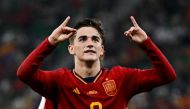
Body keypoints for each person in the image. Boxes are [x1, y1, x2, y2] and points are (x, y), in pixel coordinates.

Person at [17, 16, 176, 109]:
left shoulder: (121, 78)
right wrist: (50, 41)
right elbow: (23, 74)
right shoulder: (58, 81)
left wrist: (146, 43)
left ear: (102, 50)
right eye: (82, 39)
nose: (90, 43)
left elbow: (167, 76)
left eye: (95, 39)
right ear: (71, 49)